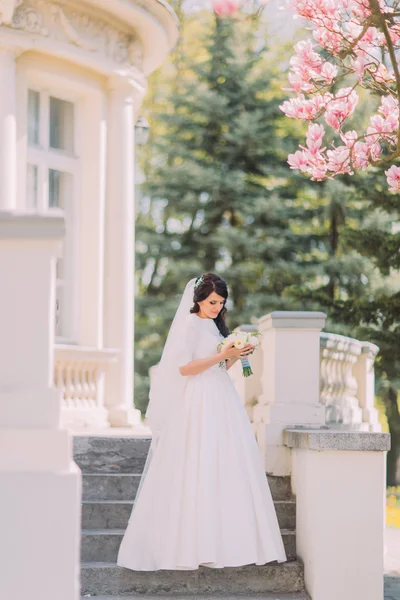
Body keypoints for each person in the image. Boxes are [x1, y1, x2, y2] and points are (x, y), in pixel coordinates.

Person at [117, 273, 287, 571]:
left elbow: (221, 365)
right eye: (212, 302)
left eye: (221, 303)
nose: (216, 308)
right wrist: (222, 354)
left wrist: (235, 355)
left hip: (221, 397)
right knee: (198, 462)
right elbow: (184, 368)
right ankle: (190, 545)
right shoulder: (189, 324)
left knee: (225, 463)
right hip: (198, 399)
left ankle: (227, 543)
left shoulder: (213, 324)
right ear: (198, 299)